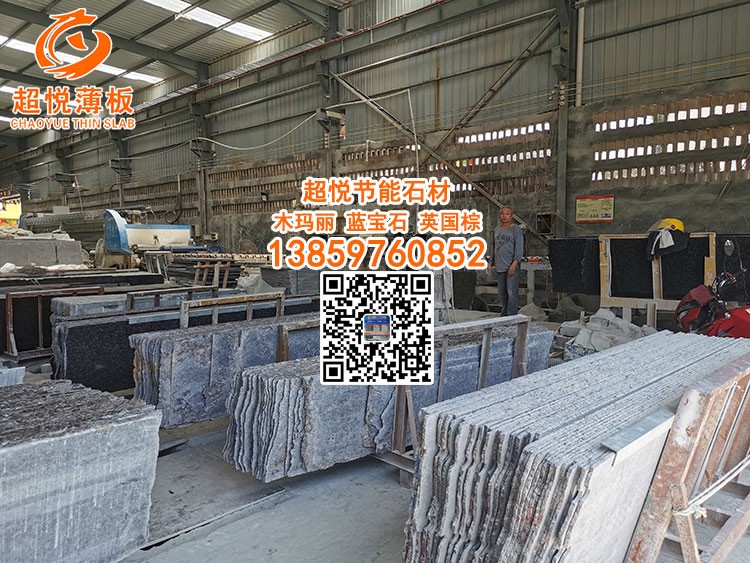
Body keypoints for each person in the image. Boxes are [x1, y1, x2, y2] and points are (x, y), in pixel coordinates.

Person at [489, 206, 524, 315]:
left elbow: (519, 247)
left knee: (511, 293)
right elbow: (494, 247)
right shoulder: (497, 229)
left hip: (511, 266)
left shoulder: (516, 229)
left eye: (507, 214)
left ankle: (512, 317)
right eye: (502, 214)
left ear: (511, 216)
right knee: (502, 293)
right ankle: (504, 315)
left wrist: (515, 263)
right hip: (500, 266)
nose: (504, 216)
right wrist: (490, 262)